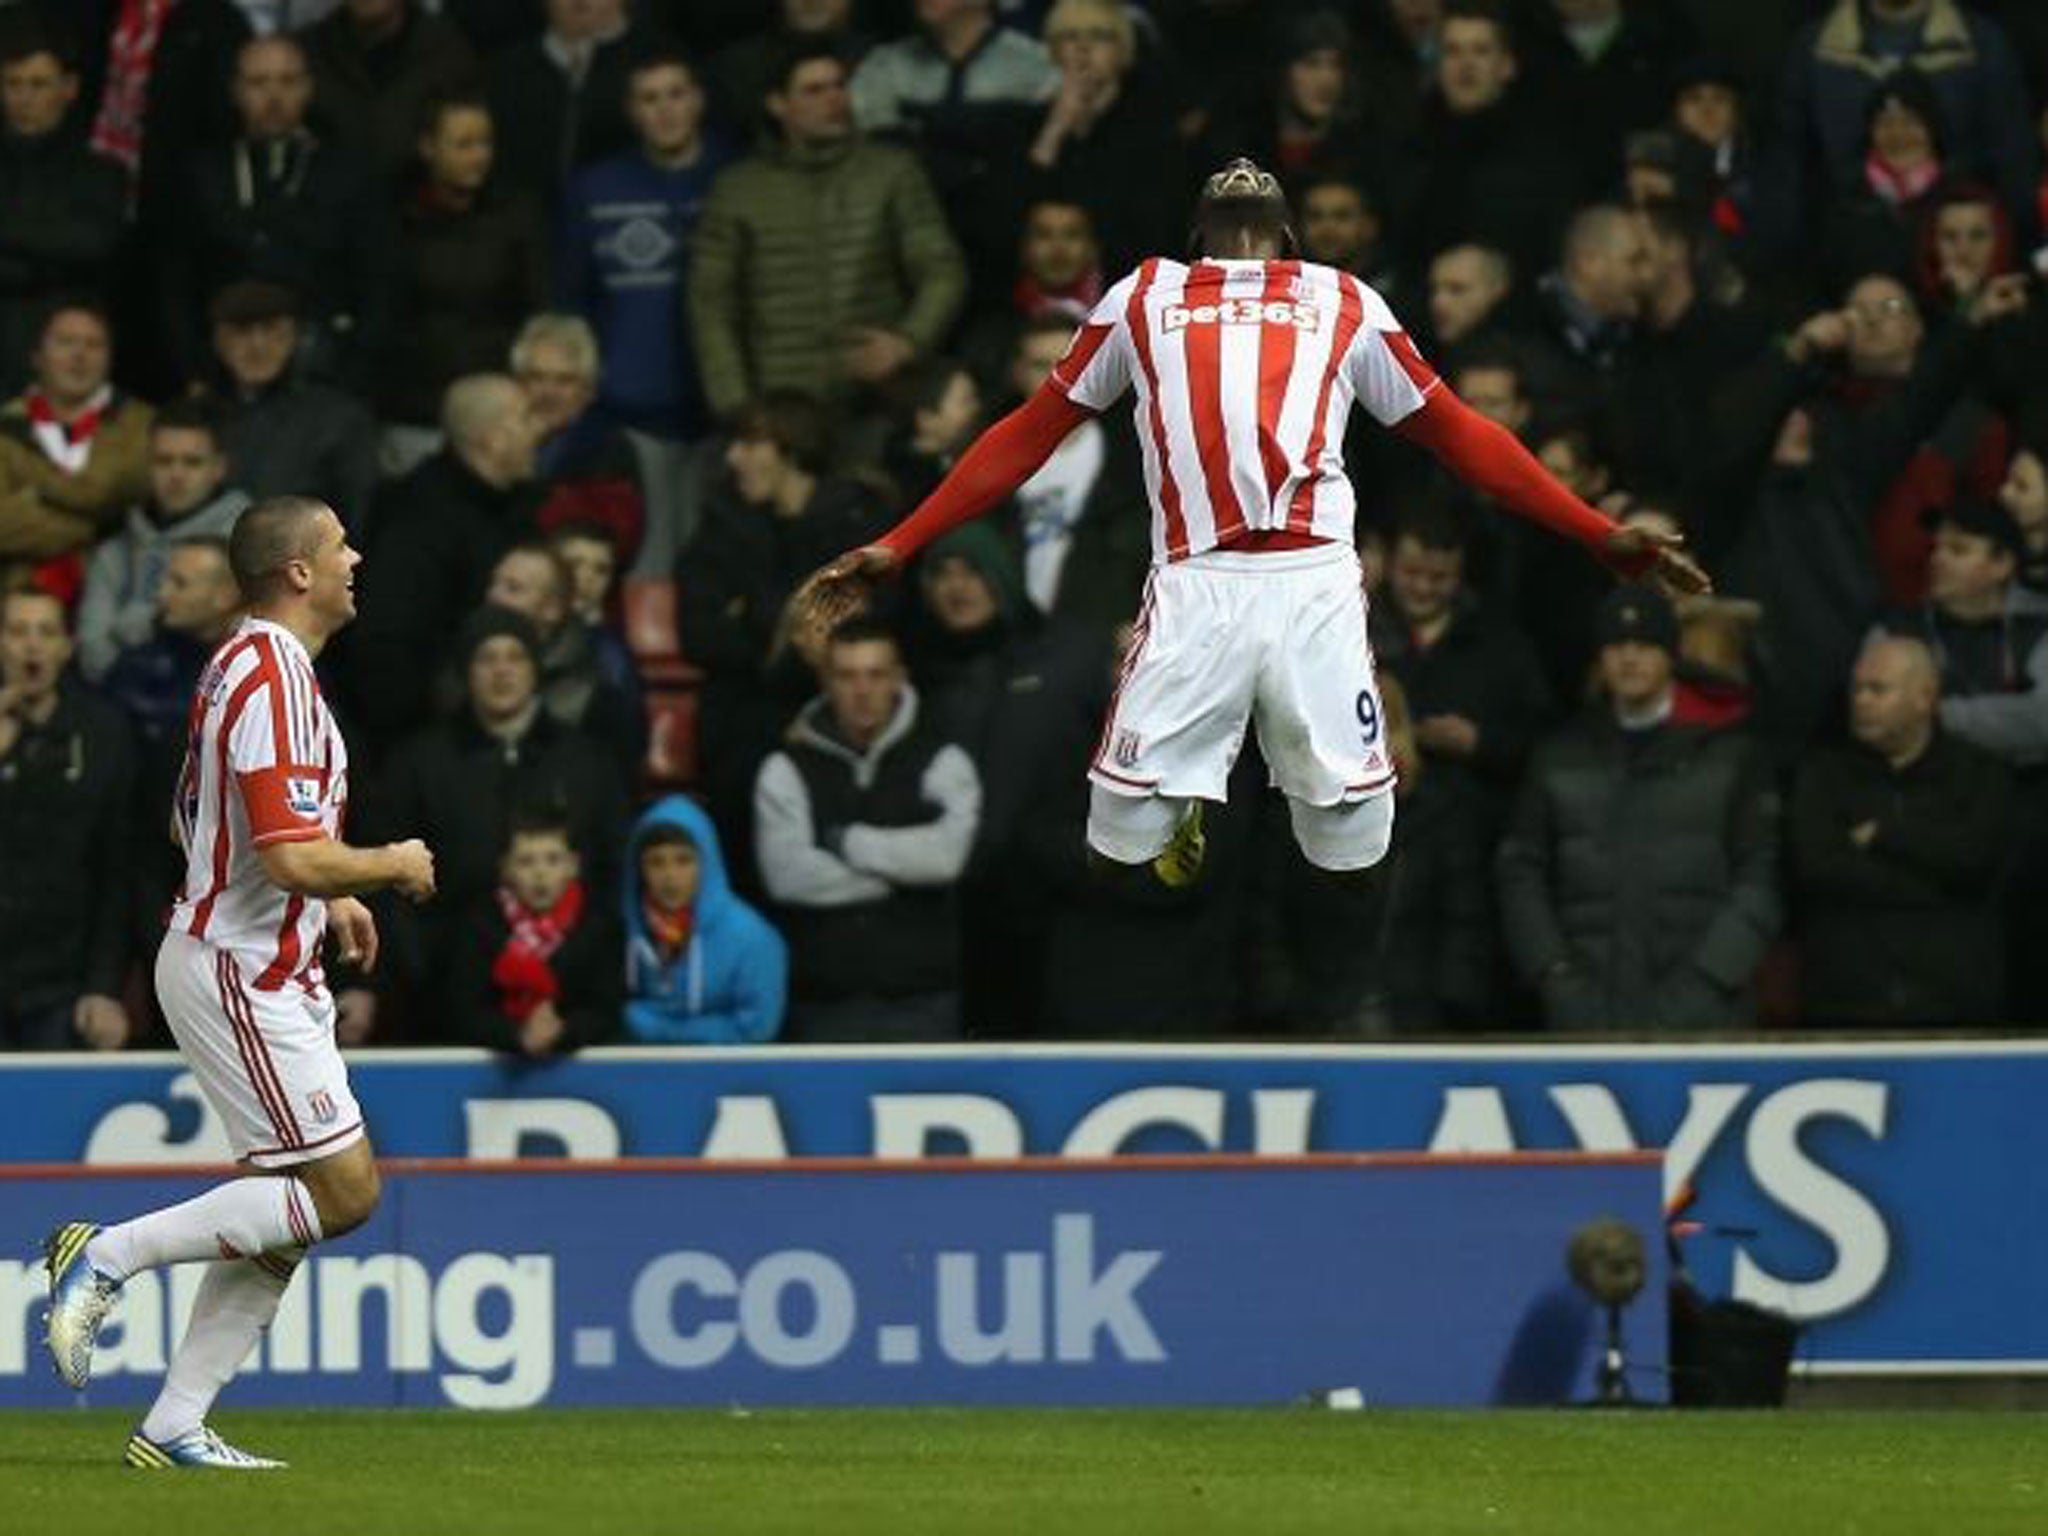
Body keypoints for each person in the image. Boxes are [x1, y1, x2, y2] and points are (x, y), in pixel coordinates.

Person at [801, 157, 1703, 897]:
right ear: (1199, 234)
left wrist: (1592, 530)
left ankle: (1241, 768)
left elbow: (1460, 433)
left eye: (1258, 189)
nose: (1242, 181)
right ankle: (1198, 784)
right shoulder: (1143, 297)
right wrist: (901, 540)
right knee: (1119, 841)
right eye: (1226, 188)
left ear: (1287, 238)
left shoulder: (1341, 299)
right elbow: (1027, 433)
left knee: (1350, 842)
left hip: (1312, 576)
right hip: (1198, 580)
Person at [39, 494, 436, 1469]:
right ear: (297, 571)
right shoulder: (273, 682)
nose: (356, 559)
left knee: (282, 1213)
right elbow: (290, 853)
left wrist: (323, 898)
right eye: (340, 545)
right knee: (345, 1195)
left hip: (257, 956)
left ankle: (174, 1424)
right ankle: (106, 1254)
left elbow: (199, 825)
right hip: (240, 970)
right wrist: (381, 865)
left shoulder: (244, 666)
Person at [1498, 583, 1780, 1030]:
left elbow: (1762, 877)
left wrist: (1708, 982)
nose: (1629, 657)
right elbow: (1521, 874)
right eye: (1616, 644)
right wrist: (1555, 976)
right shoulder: (1558, 756)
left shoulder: (1731, 758)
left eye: (1645, 644)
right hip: (1585, 1013)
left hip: (1707, 1016)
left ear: (1671, 654)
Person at [687, 40, 967, 419]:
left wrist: (907, 343)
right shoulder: (738, 191)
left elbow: (941, 269)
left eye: (839, 86)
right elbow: (712, 306)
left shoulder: (891, 173)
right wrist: (737, 407)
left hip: (878, 401)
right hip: (781, 407)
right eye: (814, 90)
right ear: (777, 103)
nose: (834, 100)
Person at [753, 616, 980, 1041]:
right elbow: (788, 874)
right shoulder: (786, 768)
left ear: (898, 678)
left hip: (923, 1003)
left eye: (876, 675)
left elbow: (946, 857)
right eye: (847, 675)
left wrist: (848, 843)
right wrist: (897, 877)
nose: (862, 690)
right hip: (822, 1006)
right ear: (825, 681)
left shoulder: (943, 759)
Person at [1790, 635, 2011, 1027]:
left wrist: (1883, 835)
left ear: (1924, 698)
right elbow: (1818, 869)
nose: (1862, 700)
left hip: (1955, 1009)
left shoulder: (1980, 774)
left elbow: (1977, 864)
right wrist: (1935, 882)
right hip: (1844, 1007)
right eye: (1857, 688)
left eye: (1878, 689)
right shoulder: (1821, 776)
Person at [557, 48, 730, 441]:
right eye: (649, 99)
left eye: (676, 94)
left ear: (698, 100)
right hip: (625, 406)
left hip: (721, 401)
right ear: (631, 111)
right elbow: (571, 296)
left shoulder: (736, 177)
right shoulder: (594, 188)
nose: (665, 111)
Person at [0, 587, 137, 1051]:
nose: (32, 646)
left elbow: (118, 868)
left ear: (67, 646)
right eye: (18, 631)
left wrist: (103, 986)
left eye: (47, 632)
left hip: (60, 984)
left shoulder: (104, 732)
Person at [77, 400, 251, 683]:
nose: (176, 475)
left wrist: (128, 629)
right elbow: (91, 653)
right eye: (164, 461)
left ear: (219, 467)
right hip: (120, 701)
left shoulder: (251, 545)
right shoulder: (117, 549)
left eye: (192, 462)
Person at [0, 26, 128, 399]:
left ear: (68, 88)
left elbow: (94, 246)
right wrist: (45, 251)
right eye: (13, 83)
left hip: (66, 357)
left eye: (38, 84)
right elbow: (67, 247)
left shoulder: (102, 173)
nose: (24, 97)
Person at [202, 280, 377, 530]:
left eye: (272, 329)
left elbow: (357, 521)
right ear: (218, 341)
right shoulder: (196, 414)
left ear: (297, 337)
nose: (257, 345)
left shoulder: (340, 420)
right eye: (241, 331)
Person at [446, 810, 622, 1055]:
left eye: (552, 859)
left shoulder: (599, 925)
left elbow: (607, 1008)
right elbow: (464, 1012)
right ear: (505, 869)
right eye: (526, 861)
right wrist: (516, 1035)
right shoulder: (479, 926)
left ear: (573, 866)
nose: (540, 873)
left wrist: (564, 1031)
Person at [623, 794, 788, 1045]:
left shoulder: (754, 939)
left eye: (683, 861)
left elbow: (757, 1028)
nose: (670, 877)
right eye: (656, 862)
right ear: (639, 869)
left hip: (731, 1078)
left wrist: (658, 1028)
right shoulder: (625, 929)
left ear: (708, 862)